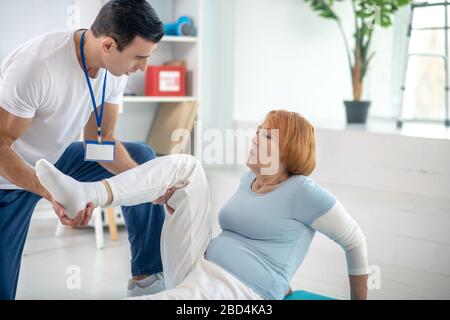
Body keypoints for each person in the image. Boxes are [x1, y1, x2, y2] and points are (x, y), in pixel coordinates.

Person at [35, 110, 369, 300]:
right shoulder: (247, 180)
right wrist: (180, 205)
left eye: (266, 136)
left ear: (289, 151)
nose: (254, 138)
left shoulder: (305, 193)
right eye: (257, 131)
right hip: (197, 263)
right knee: (189, 167)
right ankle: (87, 194)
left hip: (235, 291)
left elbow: (355, 242)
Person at [0, 0, 171, 300]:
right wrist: (56, 193)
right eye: (139, 58)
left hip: (54, 160)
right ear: (108, 45)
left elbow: (98, 145)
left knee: (143, 160)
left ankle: (147, 281)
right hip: (6, 179)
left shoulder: (112, 71)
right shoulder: (38, 66)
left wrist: (151, 186)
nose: (144, 68)